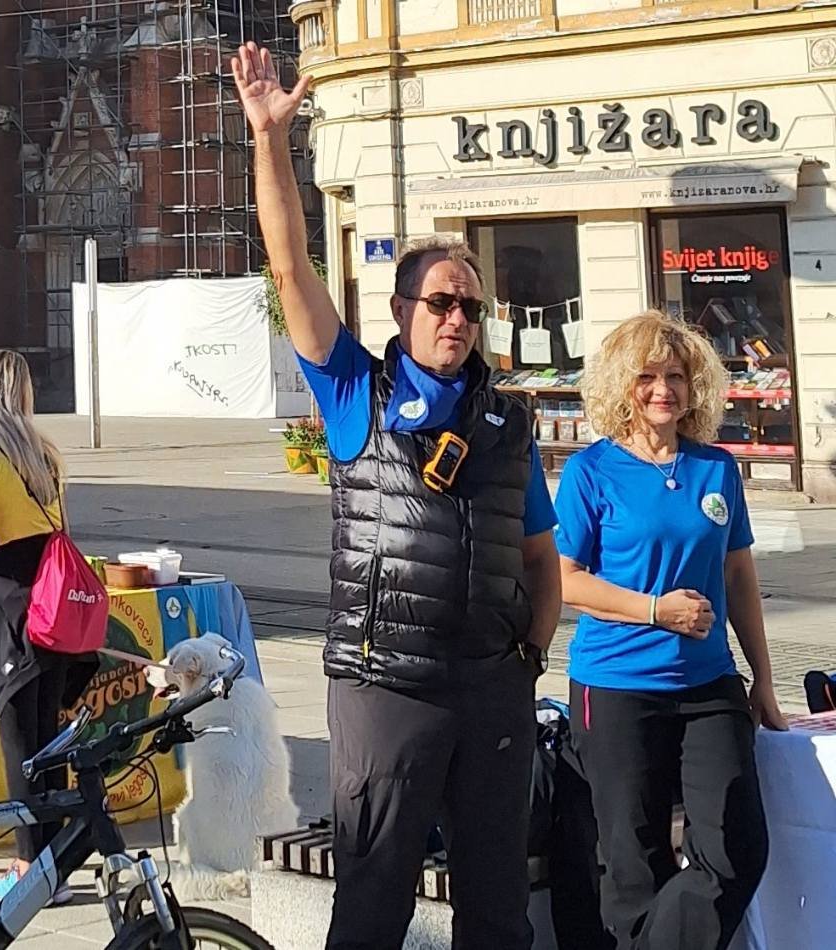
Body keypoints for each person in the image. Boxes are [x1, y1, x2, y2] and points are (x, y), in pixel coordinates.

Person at [237, 41, 561, 950]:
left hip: (491, 693)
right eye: (440, 303)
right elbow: (291, 269)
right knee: (373, 905)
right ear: (401, 312)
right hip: (387, 689)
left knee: (498, 912)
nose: (457, 318)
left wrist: (528, 658)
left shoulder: (508, 425)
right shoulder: (356, 393)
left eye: (470, 306)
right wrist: (269, 140)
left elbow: (542, 559)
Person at [555, 311, 783, 950]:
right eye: (647, 376)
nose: (664, 390)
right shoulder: (590, 471)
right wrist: (655, 610)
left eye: (677, 376)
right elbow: (564, 580)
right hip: (615, 688)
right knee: (634, 866)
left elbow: (738, 574)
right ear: (621, 386)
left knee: (737, 848)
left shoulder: (716, 469)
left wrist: (763, 678)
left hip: (709, 685)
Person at [0, 349, 96, 907]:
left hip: (9, 603)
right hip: (51, 603)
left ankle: (26, 869)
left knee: (17, 739)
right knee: (47, 736)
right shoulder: (45, 454)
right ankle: (53, 865)